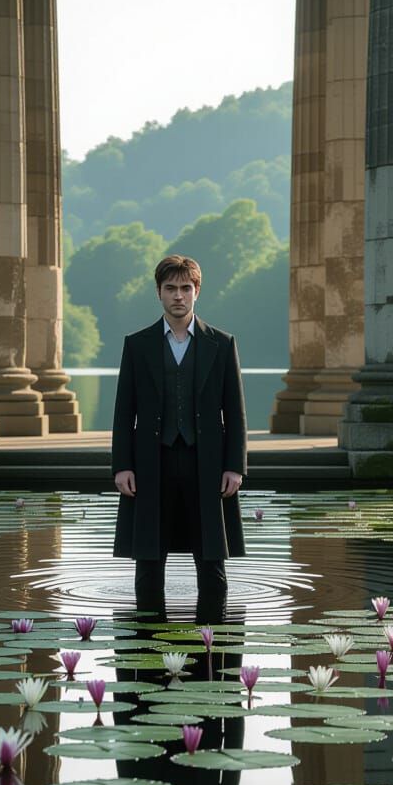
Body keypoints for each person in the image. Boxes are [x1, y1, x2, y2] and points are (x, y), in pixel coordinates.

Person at [112, 254, 247, 618]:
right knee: (148, 564)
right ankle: (146, 652)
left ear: (196, 292)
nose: (178, 296)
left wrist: (235, 466)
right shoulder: (137, 345)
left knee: (213, 564)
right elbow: (124, 412)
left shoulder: (222, 344)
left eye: (185, 288)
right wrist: (122, 465)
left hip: (207, 463)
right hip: (151, 462)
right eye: (170, 288)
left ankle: (213, 650)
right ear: (158, 292)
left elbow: (234, 413)